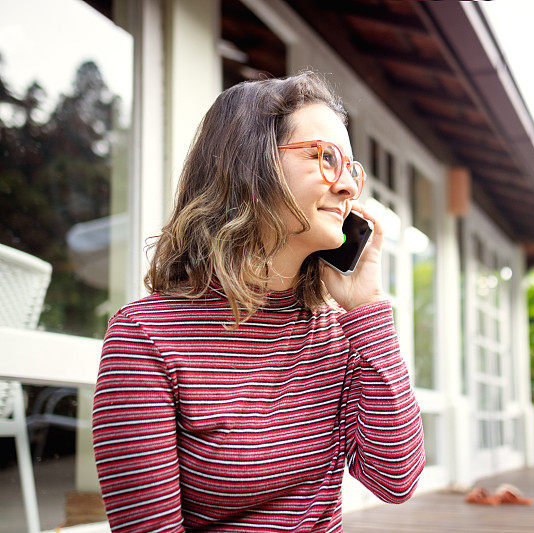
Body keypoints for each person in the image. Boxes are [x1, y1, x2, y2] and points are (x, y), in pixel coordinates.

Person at [91, 71, 426, 532]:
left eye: (351, 168)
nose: (348, 187)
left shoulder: (338, 333)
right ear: (252, 164)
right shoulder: (146, 337)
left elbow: (398, 480)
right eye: (326, 157)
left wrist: (368, 311)